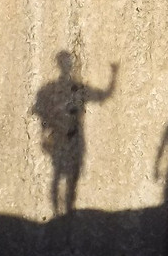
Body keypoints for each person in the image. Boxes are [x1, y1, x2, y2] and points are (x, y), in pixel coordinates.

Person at [33, 50, 118, 215]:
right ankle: (63, 211)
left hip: (65, 133)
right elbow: (104, 95)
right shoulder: (67, 87)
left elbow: (103, 95)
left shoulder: (53, 87)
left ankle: (62, 212)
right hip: (64, 134)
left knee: (62, 174)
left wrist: (114, 75)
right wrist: (114, 74)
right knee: (65, 174)